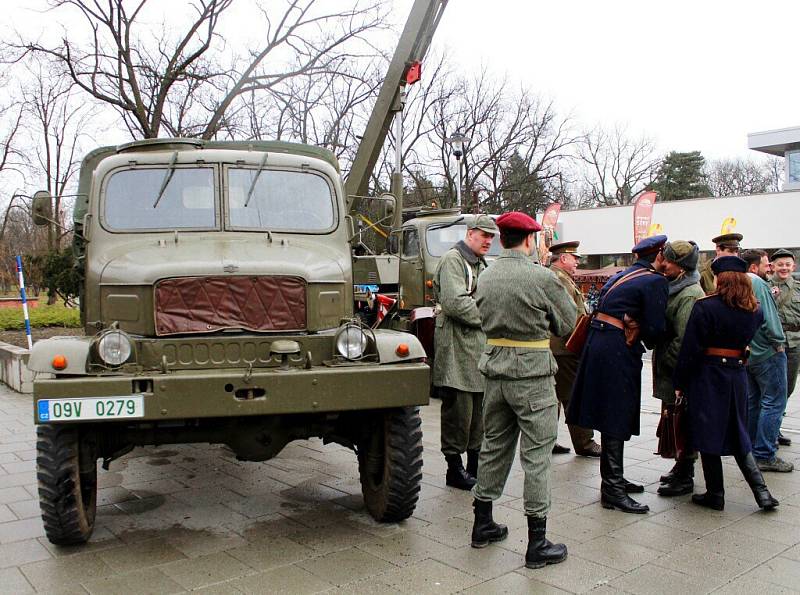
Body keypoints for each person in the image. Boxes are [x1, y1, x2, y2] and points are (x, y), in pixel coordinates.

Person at [469, 211, 576, 569]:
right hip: (532, 376)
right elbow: (566, 323)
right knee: (537, 457)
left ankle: (482, 523)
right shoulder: (541, 277)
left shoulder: (486, 276)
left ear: (501, 239)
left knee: (493, 448)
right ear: (530, 240)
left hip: (495, 371)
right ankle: (537, 542)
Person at [567, 235, 669, 514]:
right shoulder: (655, 281)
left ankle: (615, 478)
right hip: (617, 349)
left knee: (609, 413)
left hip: (598, 345)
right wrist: (643, 329)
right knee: (615, 415)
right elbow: (657, 329)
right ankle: (612, 488)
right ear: (659, 254)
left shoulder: (623, 275)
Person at [674, 255, 778, 511]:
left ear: (720, 279)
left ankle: (715, 493)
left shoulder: (705, 306)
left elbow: (690, 349)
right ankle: (762, 493)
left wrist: (680, 380)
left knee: (707, 430)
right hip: (737, 375)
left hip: (708, 376)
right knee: (739, 431)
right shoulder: (755, 309)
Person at [433, 214, 499, 489]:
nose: (488, 241)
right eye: (484, 235)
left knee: (479, 412)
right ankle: (454, 468)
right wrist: (491, 315)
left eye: (492, 237)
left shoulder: (479, 263)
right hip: (458, 348)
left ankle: (474, 464)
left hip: (478, 349)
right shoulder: (453, 260)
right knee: (459, 412)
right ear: (470, 233)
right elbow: (456, 303)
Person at [652, 241, 705, 496]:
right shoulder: (678, 288)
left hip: (679, 371)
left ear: (682, 268)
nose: (664, 264)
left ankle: (686, 474)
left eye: (670, 262)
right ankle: (680, 466)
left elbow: (684, 339)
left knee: (683, 422)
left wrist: (667, 363)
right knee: (674, 419)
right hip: (672, 369)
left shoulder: (689, 294)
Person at [741, 249, 794, 473]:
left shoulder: (740, 282)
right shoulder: (759, 285)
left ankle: (753, 449)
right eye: (766, 264)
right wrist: (779, 342)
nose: (770, 268)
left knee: (754, 402)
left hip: (750, 352)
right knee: (774, 402)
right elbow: (770, 320)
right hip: (768, 352)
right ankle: (764, 454)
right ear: (754, 267)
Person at [548, 240, 601, 457]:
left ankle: (547, 441)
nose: (577, 262)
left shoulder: (557, 277)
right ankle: (585, 443)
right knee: (573, 396)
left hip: (558, 347)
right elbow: (569, 316)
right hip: (565, 347)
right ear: (562, 258)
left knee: (554, 398)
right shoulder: (559, 279)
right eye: (574, 258)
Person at [769, 248, 800, 447]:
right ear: (773, 267)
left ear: (793, 266)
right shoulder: (765, 286)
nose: (784, 268)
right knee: (773, 390)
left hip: (795, 343)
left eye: (788, 264)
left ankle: (775, 426)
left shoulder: (798, 288)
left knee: (788, 388)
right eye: (780, 264)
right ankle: (770, 430)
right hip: (774, 345)